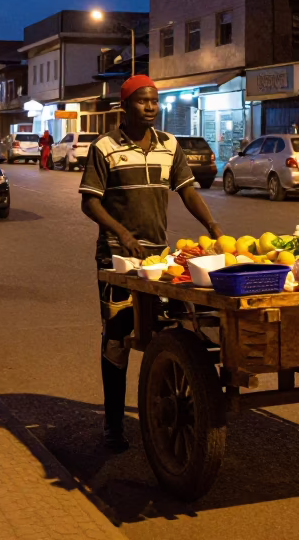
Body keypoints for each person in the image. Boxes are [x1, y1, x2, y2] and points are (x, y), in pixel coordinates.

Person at [79, 74, 223, 452]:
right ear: (124, 106)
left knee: (170, 334)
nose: (150, 107)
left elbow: (187, 190)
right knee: (117, 338)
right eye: (142, 101)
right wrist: (123, 234)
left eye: (154, 101)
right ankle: (113, 424)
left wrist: (212, 225)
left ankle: (162, 407)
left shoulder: (169, 145)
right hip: (116, 259)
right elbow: (89, 201)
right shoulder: (105, 147)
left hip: (159, 258)